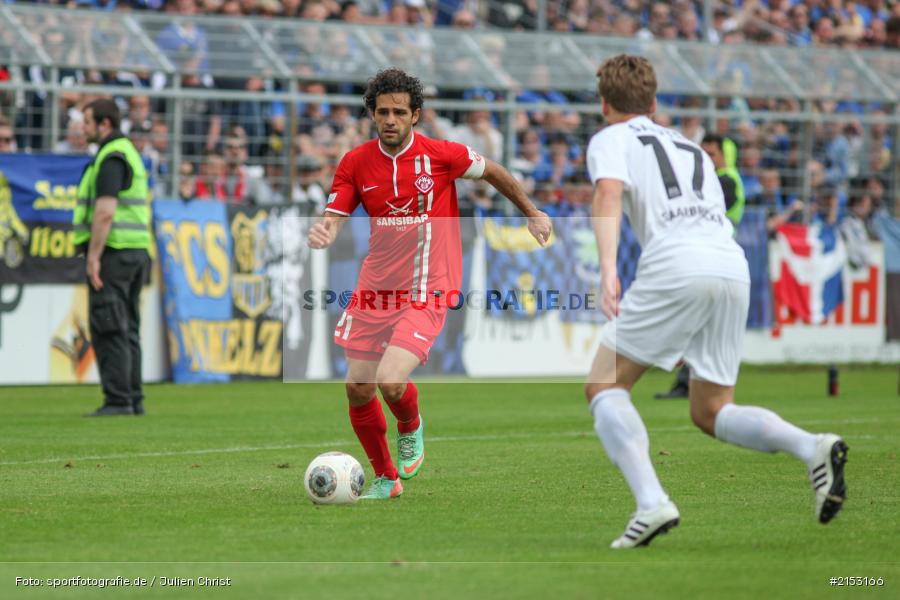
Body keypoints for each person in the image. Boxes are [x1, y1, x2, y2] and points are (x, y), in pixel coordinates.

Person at [583, 55, 847, 548]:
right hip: (730, 263)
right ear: (654, 102)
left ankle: (651, 502)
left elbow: (609, 195)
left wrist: (606, 270)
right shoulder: (691, 147)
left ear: (604, 103)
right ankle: (812, 447)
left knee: (604, 384)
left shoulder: (609, 139)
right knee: (710, 409)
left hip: (677, 262)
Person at [307, 68, 552, 500]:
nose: (390, 120)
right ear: (371, 114)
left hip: (429, 283)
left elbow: (493, 171)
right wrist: (326, 229)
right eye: (382, 112)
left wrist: (531, 211)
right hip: (376, 287)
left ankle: (410, 423)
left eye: (399, 112)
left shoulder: (442, 155)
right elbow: (336, 211)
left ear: (415, 115)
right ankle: (386, 479)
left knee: (391, 381)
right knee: (357, 386)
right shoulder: (354, 163)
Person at [73, 98, 152, 417]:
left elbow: (105, 212)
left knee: (109, 326)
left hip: (114, 253)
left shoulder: (111, 156)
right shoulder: (128, 152)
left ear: (105, 124)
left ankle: (118, 401)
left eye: (88, 121)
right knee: (128, 327)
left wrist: (93, 256)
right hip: (135, 251)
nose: (83, 127)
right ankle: (133, 399)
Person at [655, 132, 747, 399]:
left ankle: (690, 382)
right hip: (709, 257)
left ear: (725, 155)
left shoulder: (726, 181)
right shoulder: (713, 180)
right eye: (703, 153)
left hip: (715, 258)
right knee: (702, 324)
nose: (707, 158)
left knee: (697, 321)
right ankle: (690, 383)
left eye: (713, 154)